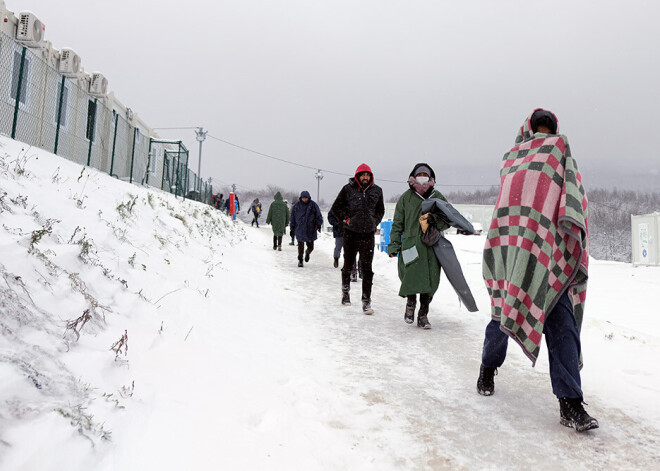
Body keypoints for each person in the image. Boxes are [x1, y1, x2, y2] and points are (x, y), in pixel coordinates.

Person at [477, 108, 598, 432]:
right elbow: (509, 206)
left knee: (564, 330)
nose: (544, 135)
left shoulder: (560, 157)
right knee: (502, 320)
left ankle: (570, 402)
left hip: (550, 258)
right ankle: (488, 367)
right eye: (539, 130)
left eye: (548, 130)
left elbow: (574, 198)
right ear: (529, 131)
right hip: (515, 255)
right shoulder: (512, 160)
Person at [387, 163, 449, 329]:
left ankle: (423, 314)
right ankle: (411, 303)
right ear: (413, 176)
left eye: (425, 174)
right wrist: (394, 245)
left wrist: (435, 220)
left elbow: (448, 219)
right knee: (411, 277)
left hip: (432, 246)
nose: (422, 177)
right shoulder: (406, 198)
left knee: (430, 281)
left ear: (430, 177)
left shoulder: (437, 197)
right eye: (419, 174)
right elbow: (397, 224)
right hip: (410, 244)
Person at [330, 163, 384, 314]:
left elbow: (380, 210)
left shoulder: (377, 191)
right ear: (358, 176)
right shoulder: (348, 189)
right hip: (351, 233)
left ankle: (366, 301)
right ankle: (345, 292)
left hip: (368, 234)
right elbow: (336, 208)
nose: (365, 177)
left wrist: (375, 222)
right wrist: (346, 219)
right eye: (363, 175)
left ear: (371, 177)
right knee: (348, 265)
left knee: (367, 269)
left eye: (368, 175)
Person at [289, 191, 323, 267]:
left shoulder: (313, 205)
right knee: (300, 246)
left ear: (308, 197)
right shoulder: (296, 206)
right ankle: (300, 260)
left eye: (306, 198)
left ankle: (307, 252)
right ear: (301, 198)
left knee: (311, 246)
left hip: (310, 229)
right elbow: (293, 218)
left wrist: (318, 224)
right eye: (303, 198)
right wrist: (292, 228)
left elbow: (318, 215)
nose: (305, 199)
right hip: (300, 229)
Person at [328, 209, 358, 280]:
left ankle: (353, 272)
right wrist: (337, 223)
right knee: (338, 247)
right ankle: (336, 257)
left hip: (350, 231)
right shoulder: (336, 206)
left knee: (351, 251)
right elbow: (330, 217)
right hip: (339, 231)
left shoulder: (352, 204)